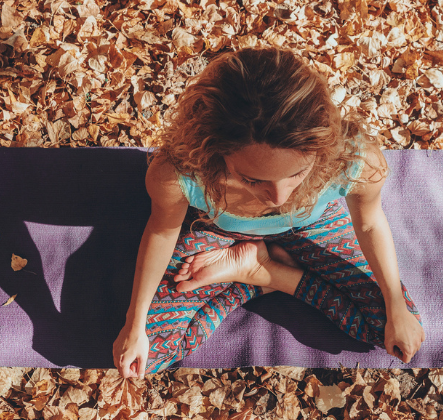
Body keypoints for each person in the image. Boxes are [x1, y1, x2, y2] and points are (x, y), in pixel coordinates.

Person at [112, 47, 424, 378]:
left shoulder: (355, 161)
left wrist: (395, 304)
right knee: (151, 355)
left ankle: (260, 273)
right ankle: (258, 270)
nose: (278, 197)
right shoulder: (178, 174)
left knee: (391, 329)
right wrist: (135, 323)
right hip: (216, 230)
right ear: (215, 150)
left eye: (297, 174)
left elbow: (371, 223)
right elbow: (161, 231)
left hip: (309, 225)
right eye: (252, 179)